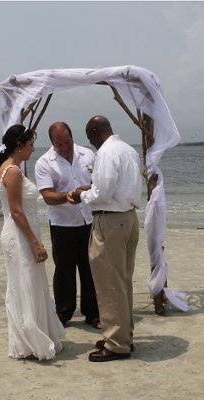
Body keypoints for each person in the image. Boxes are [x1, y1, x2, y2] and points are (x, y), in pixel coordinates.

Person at [68, 115, 142, 362]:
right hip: (128, 219)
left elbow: (103, 192)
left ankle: (116, 343)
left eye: (90, 138)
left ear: (95, 132)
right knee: (123, 282)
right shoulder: (128, 150)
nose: (91, 143)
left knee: (109, 284)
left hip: (110, 221)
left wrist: (82, 194)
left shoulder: (107, 153)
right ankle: (122, 335)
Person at [0, 124, 64, 360]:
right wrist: (35, 243)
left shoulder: (5, 168)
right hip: (20, 235)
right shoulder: (12, 171)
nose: (33, 149)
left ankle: (31, 337)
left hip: (18, 233)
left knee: (27, 283)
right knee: (25, 284)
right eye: (31, 144)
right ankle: (31, 339)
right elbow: (16, 211)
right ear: (19, 145)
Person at [34, 121, 100, 329]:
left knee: (90, 269)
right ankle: (63, 313)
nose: (64, 147)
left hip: (89, 221)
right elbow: (46, 195)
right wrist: (67, 196)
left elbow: (99, 182)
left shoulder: (88, 154)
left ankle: (92, 313)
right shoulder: (44, 162)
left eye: (67, 142)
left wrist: (88, 189)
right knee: (64, 271)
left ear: (72, 137)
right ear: (52, 143)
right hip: (62, 225)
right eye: (59, 144)